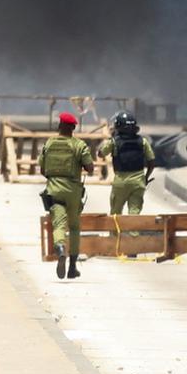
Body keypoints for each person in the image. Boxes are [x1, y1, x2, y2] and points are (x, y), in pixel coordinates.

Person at [40, 112, 94, 280]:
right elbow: (90, 168)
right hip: (73, 191)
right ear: (73, 128)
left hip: (54, 189)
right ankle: (72, 267)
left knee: (59, 225)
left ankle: (61, 249)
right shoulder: (79, 145)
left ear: (59, 127)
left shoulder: (49, 143)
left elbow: (42, 169)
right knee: (75, 227)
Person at [98, 111, 155, 215]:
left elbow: (100, 154)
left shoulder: (114, 142)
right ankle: (133, 231)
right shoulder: (143, 141)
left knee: (115, 213)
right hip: (138, 182)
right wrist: (146, 178)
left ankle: (115, 232)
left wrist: (111, 137)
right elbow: (151, 162)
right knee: (134, 213)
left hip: (121, 182)